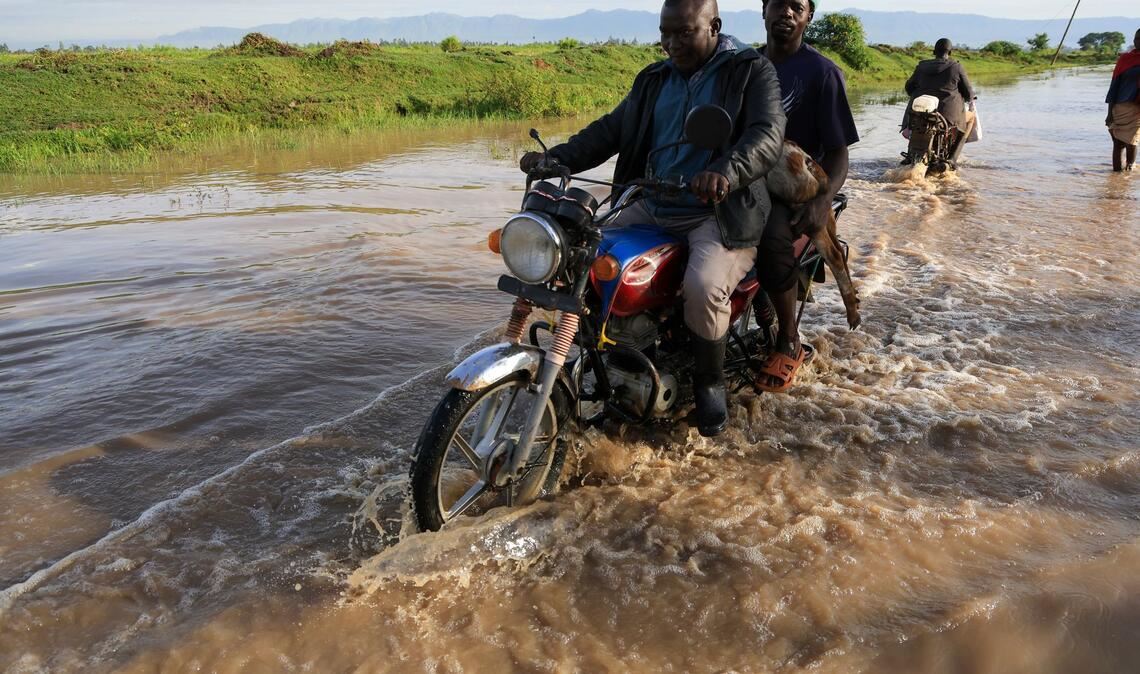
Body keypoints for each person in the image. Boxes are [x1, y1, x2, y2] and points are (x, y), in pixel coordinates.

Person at [519, 0, 786, 437]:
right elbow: (611, 130)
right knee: (577, 257)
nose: (672, 43)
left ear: (714, 26)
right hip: (651, 201)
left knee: (702, 289)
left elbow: (767, 133)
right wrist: (557, 158)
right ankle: (603, 353)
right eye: (665, 32)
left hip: (718, 211)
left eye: (685, 32)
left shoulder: (750, 71)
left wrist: (725, 171)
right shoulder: (654, 78)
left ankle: (709, 382)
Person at [752, 0, 859, 393]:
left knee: (772, 237)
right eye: (779, 4)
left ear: (808, 16)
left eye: (797, 6)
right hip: (742, 176)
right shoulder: (742, 65)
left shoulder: (822, 73)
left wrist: (822, 200)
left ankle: (789, 339)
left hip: (790, 188)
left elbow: (839, 152)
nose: (787, 12)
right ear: (763, 10)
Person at [902, 38, 976, 165]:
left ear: (934, 52)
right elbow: (968, 93)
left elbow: (909, 87)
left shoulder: (921, 66)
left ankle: (911, 155)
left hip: (919, 112)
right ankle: (952, 159)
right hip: (948, 115)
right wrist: (969, 98)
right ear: (950, 52)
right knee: (971, 118)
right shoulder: (956, 67)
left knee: (917, 123)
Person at [1105, 29, 1140, 172]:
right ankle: (1116, 177)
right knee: (1118, 143)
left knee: (1132, 142)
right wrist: (1109, 113)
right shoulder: (1125, 59)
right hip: (1120, 107)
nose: (1137, 41)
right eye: (1136, 38)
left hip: (1137, 109)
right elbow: (1114, 85)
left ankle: (1128, 174)